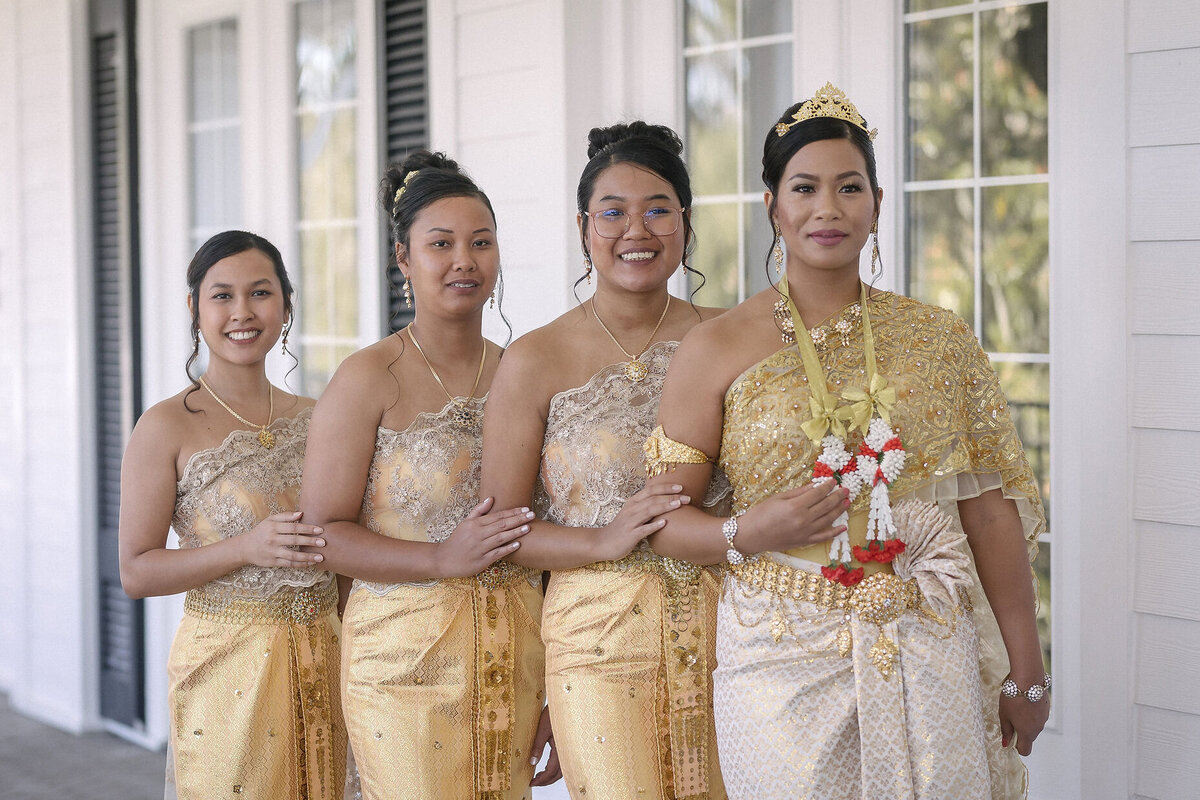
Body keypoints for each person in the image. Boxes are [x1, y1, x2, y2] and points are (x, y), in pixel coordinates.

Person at [643, 83, 1048, 799]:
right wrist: (748, 529)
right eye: (804, 188)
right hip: (779, 656)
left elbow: (988, 510)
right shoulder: (714, 348)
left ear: (877, 205)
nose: (827, 209)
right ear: (772, 206)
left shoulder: (939, 338)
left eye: (848, 188)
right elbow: (663, 525)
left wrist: (1027, 667)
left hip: (927, 637)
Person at [481, 122, 728, 800]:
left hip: (728, 629)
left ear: (684, 222)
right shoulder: (535, 358)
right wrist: (600, 538)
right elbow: (501, 530)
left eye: (658, 209)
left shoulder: (728, 337)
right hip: (596, 641)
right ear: (585, 226)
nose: (636, 230)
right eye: (613, 212)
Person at [298, 151, 553, 800]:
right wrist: (441, 557)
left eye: (481, 242)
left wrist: (558, 681)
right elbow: (322, 534)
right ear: (403, 258)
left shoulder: (527, 371)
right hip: (401, 663)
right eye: (440, 244)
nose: (464, 260)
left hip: (514, 655)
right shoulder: (366, 380)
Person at [118, 230, 345, 799]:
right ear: (195, 308)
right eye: (222, 295)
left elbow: (345, 557)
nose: (242, 312)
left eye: (260, 293)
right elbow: (137, 571)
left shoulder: (323, 416)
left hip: (330, 656)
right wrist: (242, 548)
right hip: (227, 669)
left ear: (286, 306)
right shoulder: (165, 425)